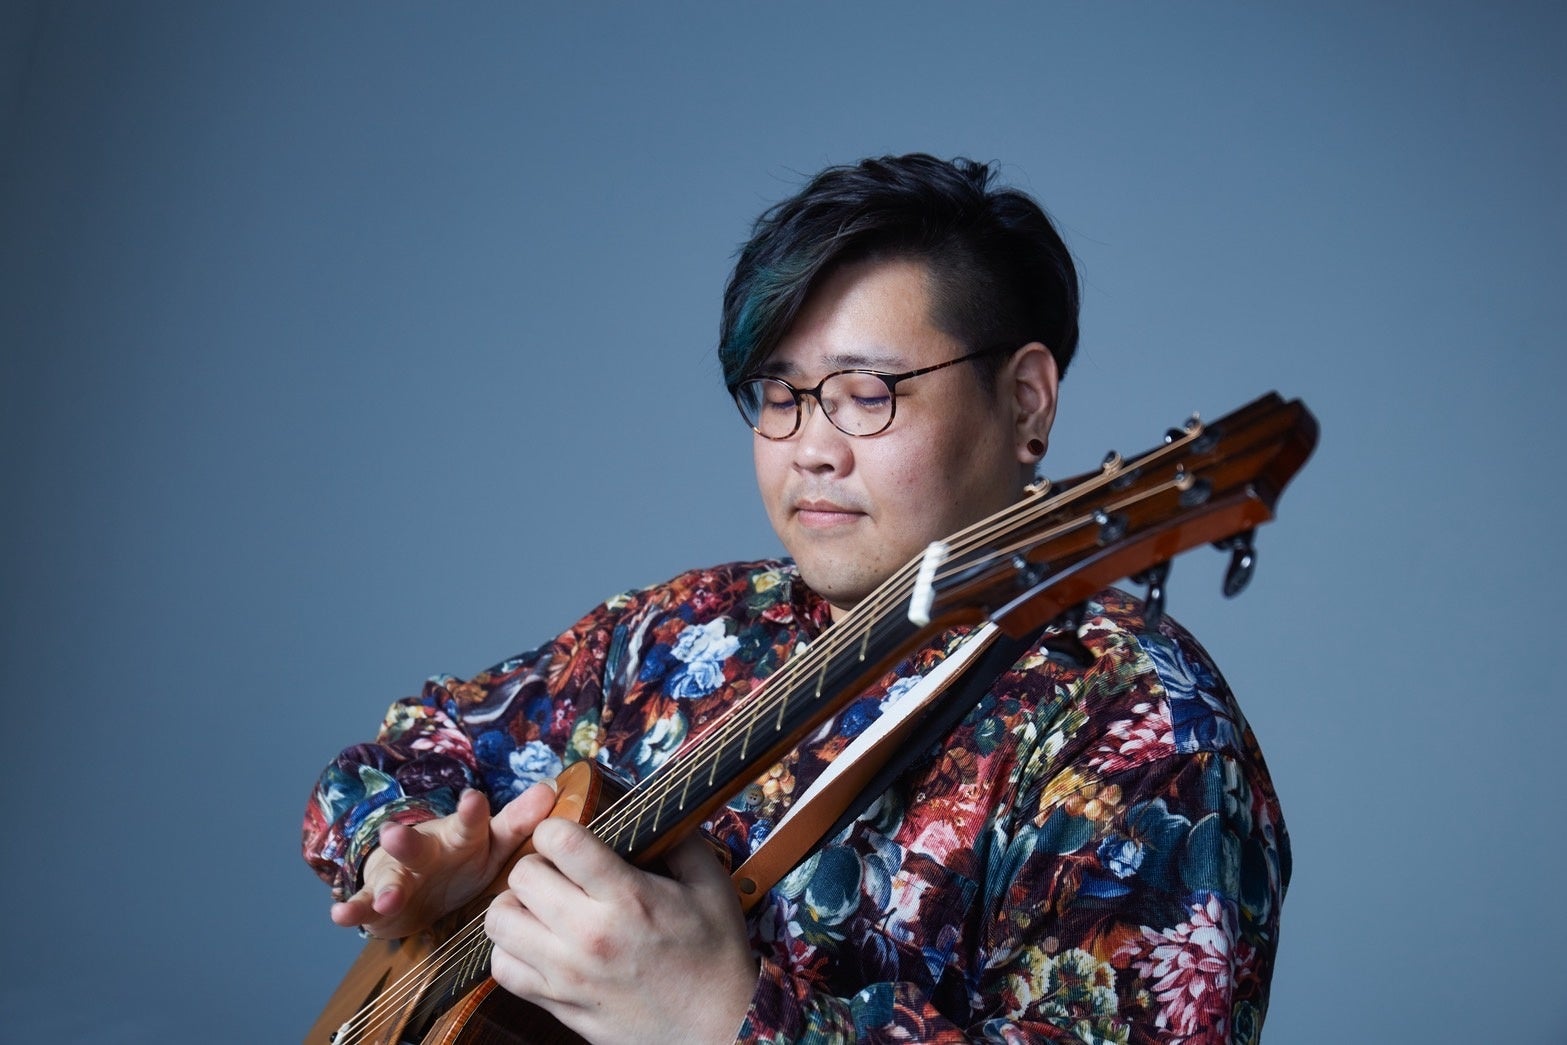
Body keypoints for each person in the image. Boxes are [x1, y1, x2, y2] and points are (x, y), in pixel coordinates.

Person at [303, 153, 1288, 1043]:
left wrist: (722, 1018)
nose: (810, 447)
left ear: (1024, 399)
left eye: (867, 393)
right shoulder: (684, 629)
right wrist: (416, 856)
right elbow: (405, 748)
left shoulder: (1142, 725)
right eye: (780, 394)